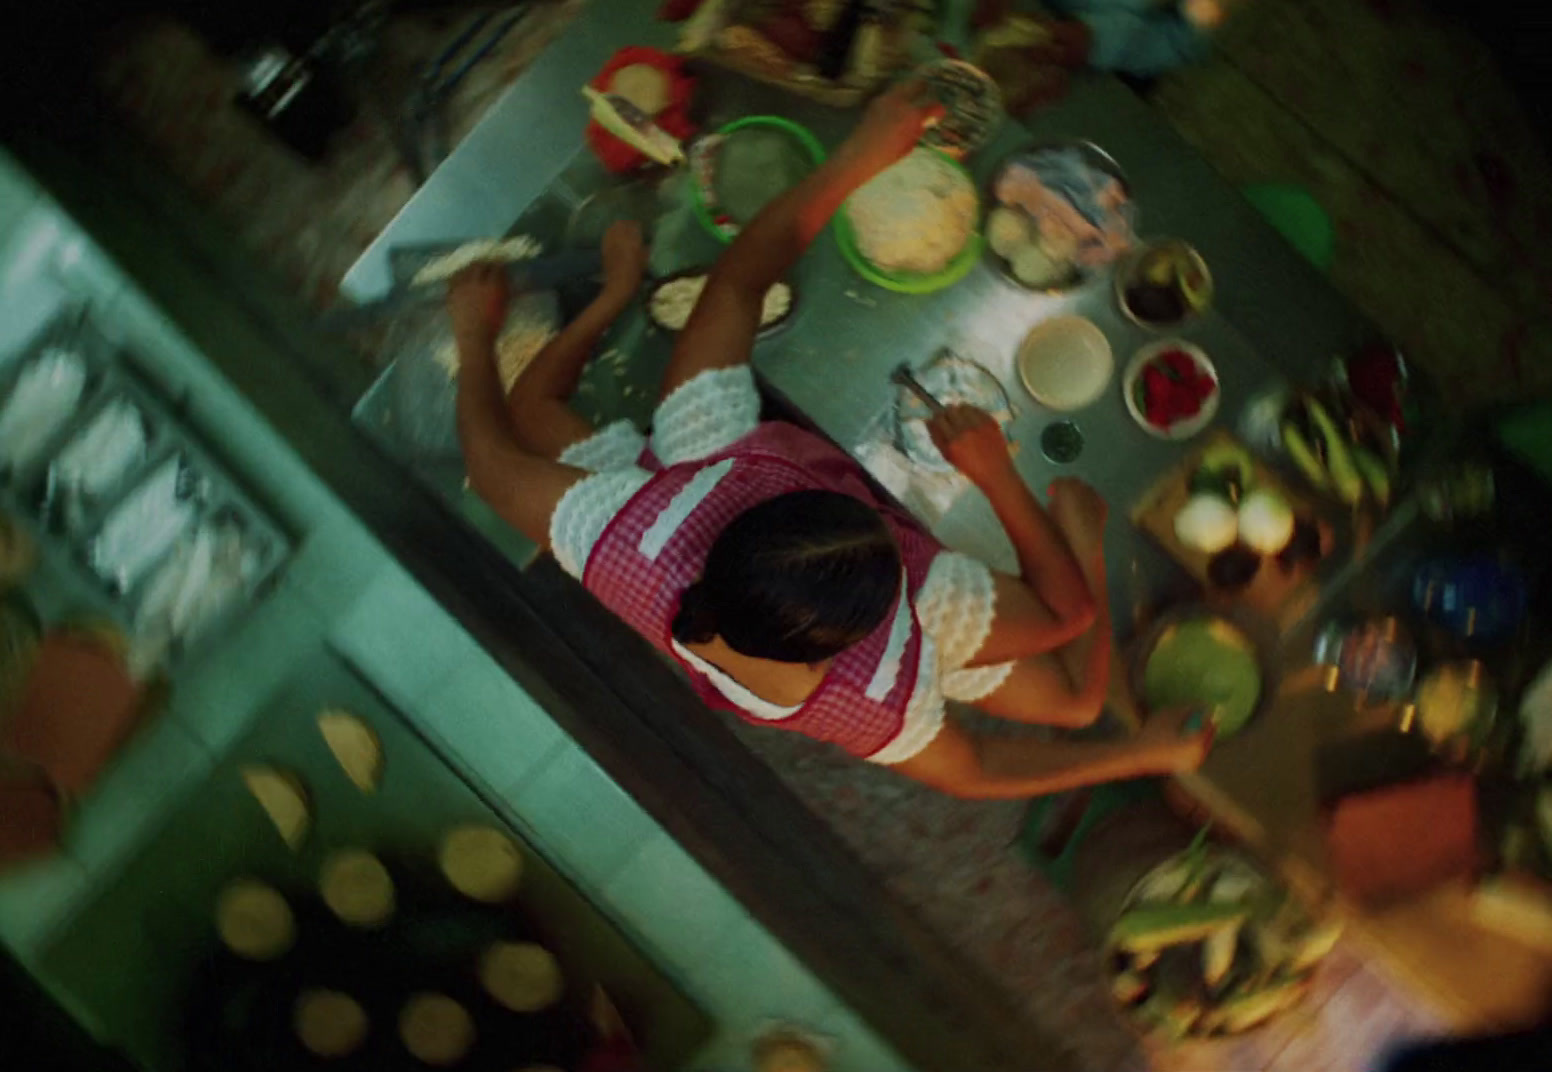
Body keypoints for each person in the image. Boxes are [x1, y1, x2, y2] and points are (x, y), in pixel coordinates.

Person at [448, 81, 1211, 798]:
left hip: (680, 519)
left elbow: (489, 463)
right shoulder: (882, 682)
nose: (885, 512)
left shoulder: (648, 502)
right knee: (1076, 699)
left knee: (535, 417)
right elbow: (1017, 696)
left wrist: (478, 337)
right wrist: (994, 476)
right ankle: (1133, 717)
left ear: (744, 490)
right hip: (912, 620)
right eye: (887, 526)